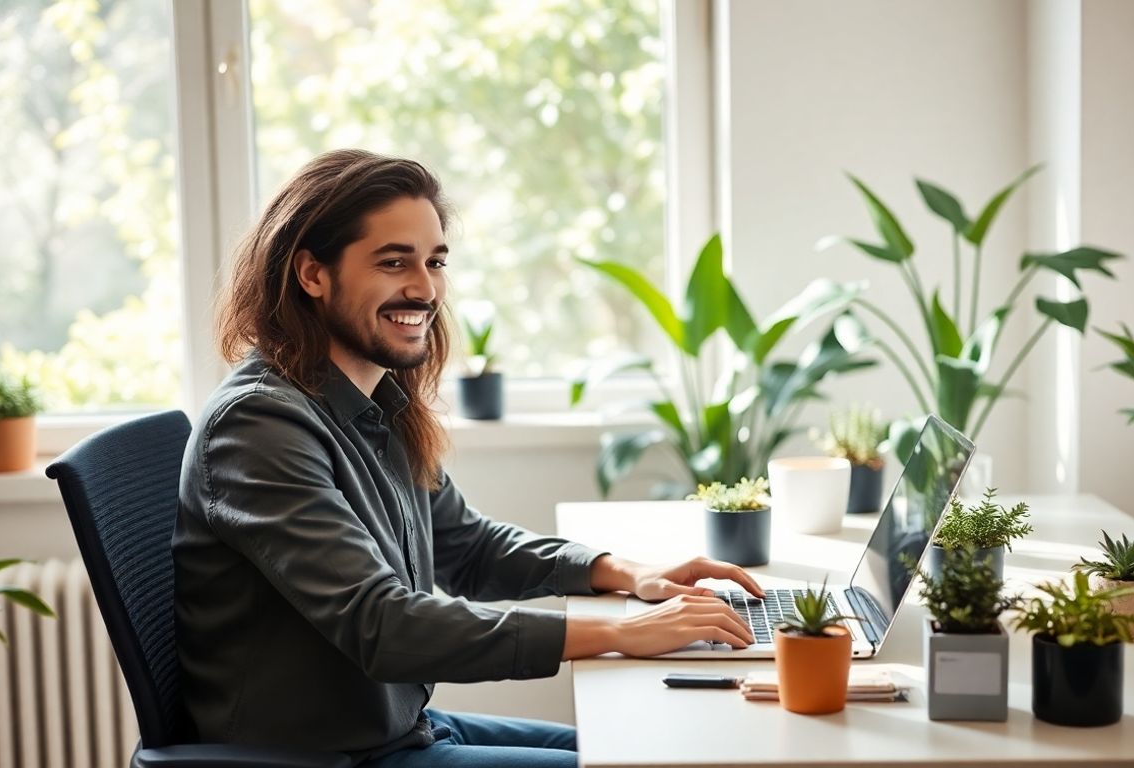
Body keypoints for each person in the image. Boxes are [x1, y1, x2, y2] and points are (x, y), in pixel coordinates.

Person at [173, 149, 763, 767]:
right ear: (312, 274)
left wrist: (623, 572)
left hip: (400, 730)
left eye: (434, 262)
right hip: (330, 758)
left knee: (658, 752)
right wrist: (619, 634)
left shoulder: (375, 403)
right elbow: (383, 625)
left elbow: (465, 545)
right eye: (393, 261)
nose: (425, 288)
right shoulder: (259, 426)